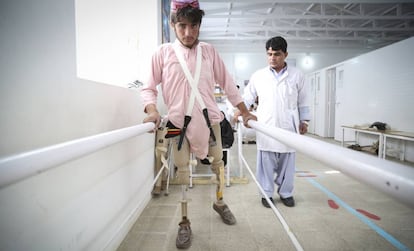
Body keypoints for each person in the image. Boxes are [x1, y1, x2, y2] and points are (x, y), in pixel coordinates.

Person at [141, 0, 255, 248]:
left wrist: (245, 112)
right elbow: (148, 88)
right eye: (182, 26)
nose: (188, 32)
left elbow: (228, 83)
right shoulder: (162, 53)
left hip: (209, 120)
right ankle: (184, 221)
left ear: (200, 26)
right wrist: (151, 111)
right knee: (181, 169)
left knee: (218, 163)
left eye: (193, 26)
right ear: (173, 25)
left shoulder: (209, 51)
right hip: (175, 123)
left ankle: (220, 201)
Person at [243, 36, 310, 208]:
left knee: (287, 165)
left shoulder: (297, 75)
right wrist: (241, 113)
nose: (272, 58)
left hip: (289, 126)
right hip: (267, 125)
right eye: (269, 54)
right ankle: (266, 194)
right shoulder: (259, 76)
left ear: (286, 54)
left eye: (277, 54)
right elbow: (247, 97)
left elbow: (303, 100)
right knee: (265, 163)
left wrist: (304, 121)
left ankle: (286, 193)